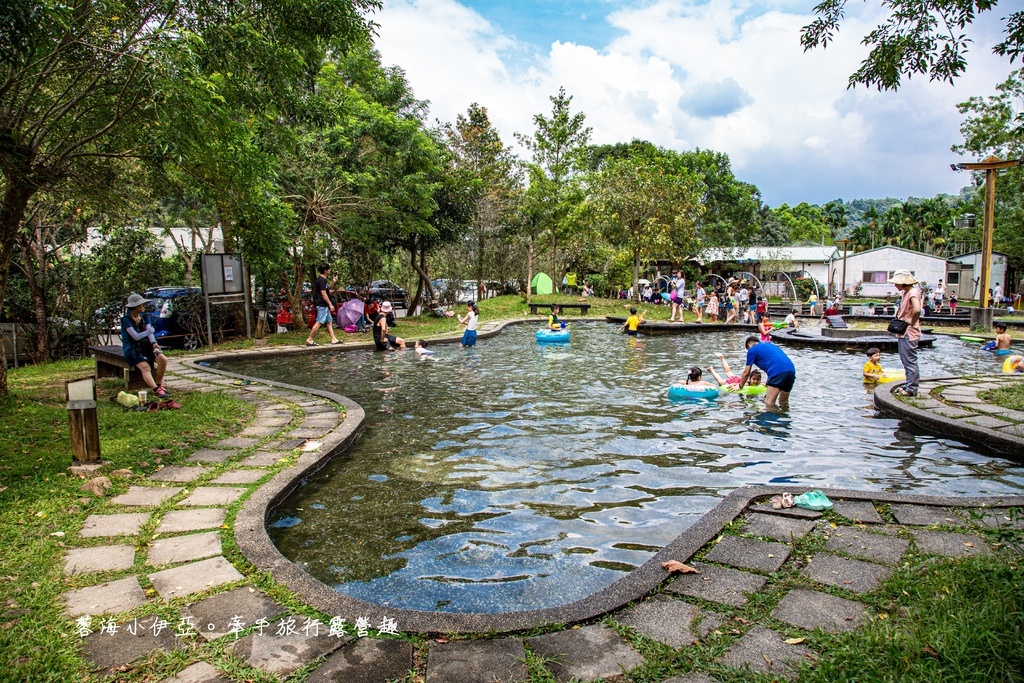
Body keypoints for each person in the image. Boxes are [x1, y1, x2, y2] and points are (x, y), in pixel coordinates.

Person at [121, 293, 171, 399]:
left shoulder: (145, 317)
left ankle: (159, 385)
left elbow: (150, 332)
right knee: (145, 367)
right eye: (142, 304)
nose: (144, 306)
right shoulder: (126, 320)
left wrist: (153, 343)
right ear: (135, 307)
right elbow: (135, 336)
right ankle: (156, 390)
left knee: (163, 360)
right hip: (132, 348)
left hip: (146, 346)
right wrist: (149, 331)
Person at [739, 335, 796, 409]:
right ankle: (785, 418)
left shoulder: (752, 350)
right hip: (791, 370)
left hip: (777, 371)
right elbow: (772, 363)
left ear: (749, 345)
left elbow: (746, 372)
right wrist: (767, 383)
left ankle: (773, 419)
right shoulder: (770, 345)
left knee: (769, 402)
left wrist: (740, 386)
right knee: (783, 402)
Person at [888, 270, 922, 397]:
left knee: (909, 361)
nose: (895, 285)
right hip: (904, 331)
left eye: (897, 283)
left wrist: (911, 322)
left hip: (909, 332)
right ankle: (909, 384)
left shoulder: (913, 292)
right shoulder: (906, 292)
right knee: (906, 360)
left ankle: (911, 388)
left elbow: (917, 309)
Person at [306, 263, 340, 347]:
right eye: (329, 269)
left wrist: (333, 282)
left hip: (324, 305)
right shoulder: (321, 280)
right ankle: (309, 339)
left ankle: (333, 339)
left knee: (329, 321)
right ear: (325, 271)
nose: (330, 270)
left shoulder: (323, 280)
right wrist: (330, 304)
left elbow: (328, 288)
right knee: (319, 322)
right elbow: (323, 293)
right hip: (322, 304)